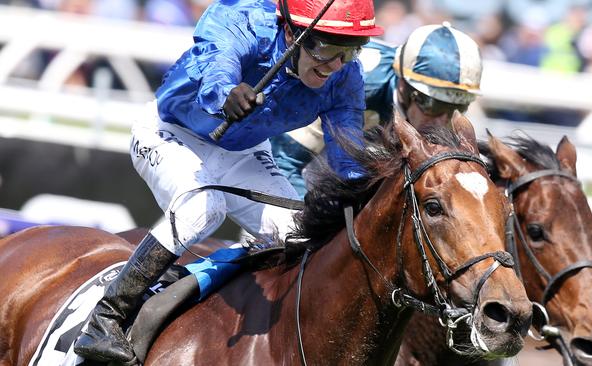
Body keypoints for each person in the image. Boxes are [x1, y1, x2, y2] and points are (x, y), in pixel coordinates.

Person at [73, 0, 383, 362]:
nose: (336, 65)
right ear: (290, 32)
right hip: (170, 132)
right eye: (326, 47)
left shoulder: (346, 77)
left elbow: (347, 158)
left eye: (349, 50)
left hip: (243, 152)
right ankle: (105, 318)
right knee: (202, 209)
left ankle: (201, 297)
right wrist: (227, 95)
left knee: (297, 235)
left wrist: (367, 194)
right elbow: (217, 65)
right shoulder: (245, 21)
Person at [271, 23, 483, 197]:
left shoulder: (447, 121)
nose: (442, 120)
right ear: (403, 85)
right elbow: (284, 160)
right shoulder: (357, 81)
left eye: (457, 107)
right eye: (433, 104)